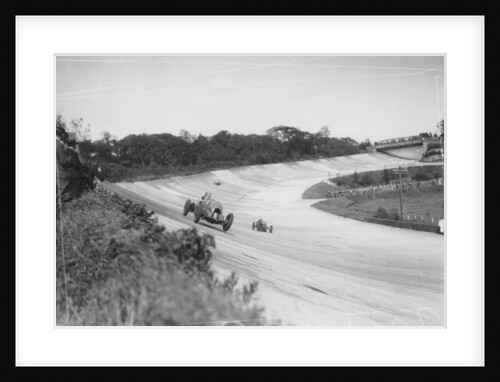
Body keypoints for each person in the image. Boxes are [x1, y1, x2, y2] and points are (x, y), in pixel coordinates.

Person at [61, 132, 85, 201]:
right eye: (74, 144)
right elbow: (75, 163)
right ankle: (75, 196)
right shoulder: (72, 152)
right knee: (78, 178)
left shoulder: (66, 151)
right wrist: (81, 170)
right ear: (73, 145)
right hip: (72, 170)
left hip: (68, 169)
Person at [56, 125, 70, 205]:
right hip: (58, 173)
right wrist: (68, 160)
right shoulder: (59, 145)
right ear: (60, 134)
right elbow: (63, 162)